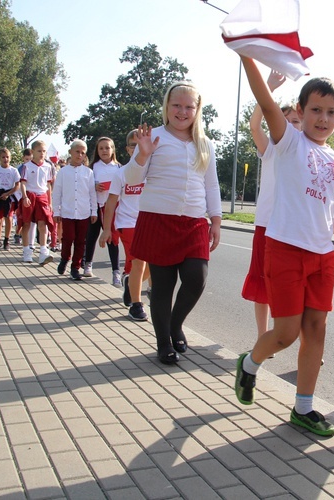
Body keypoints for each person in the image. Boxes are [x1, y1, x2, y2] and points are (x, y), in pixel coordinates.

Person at [233, 57, 334, 437]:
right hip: (284, 249)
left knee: (315, 329)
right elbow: (266, 102)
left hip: (322, 257)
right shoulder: (288, 142)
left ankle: (303, 408)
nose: (323, 117)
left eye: (331, 111)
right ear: (300, 112)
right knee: (285, 334)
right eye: (315, 110)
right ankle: (249, 364)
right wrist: (246, 56)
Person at [125, 81, 222, 365]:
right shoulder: (152, 138)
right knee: (163, 287)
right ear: (166, 106)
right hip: (158, 219)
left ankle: (176, 324)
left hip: (193, 222)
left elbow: (211, 185)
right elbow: (132, 179)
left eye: (188, 106)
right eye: (176, 105)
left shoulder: (205, 143)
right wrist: (142, 155)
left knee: (197, 278)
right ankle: (163, 342)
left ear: (197, 110)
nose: (182, 111)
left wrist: (215, 221)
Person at [242, 70, 302, 341]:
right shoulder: (270, 149)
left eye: (297, 122)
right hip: (266, 225)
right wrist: (269, 88)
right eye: (288, 121)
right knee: (263, 285)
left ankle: (305, 340)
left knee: (297, 287)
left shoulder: (307, 153)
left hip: (294, 229)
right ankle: (261, 335)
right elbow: (255, 126)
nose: (293, 126)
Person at [99, 129, 152, 320]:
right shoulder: (121, 174)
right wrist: (106, 229)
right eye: (132, 145)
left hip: (150, 223)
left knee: (152, 263)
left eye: (141, 143)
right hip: (127, 223)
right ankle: (137, 305)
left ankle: (132, 283)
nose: (137, 148)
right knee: (139, 260)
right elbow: (111, 202)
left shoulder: (153, 172)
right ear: (127, 149)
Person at [52, 140, 97, 281]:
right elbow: (57, 192)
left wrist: (94, 211)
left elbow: (92, 193)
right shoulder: (63, 172)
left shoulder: (88, 172)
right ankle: (65, 258)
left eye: (83, 153)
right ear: (71, 152)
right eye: (77, 151)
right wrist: (56, 211)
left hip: (83, 212)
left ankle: (75, 267)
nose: (80, 155)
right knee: (68, 237)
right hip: (68, 211)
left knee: (80, 241)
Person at [84, 136, 121, 285]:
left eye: (107, 148)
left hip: (113, 209)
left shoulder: (119, 168)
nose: (104, 151)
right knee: (92, 237)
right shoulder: (92, 168)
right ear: (97, 151)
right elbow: (84, 186)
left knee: (113, 240)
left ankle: (116, 272)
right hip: (96, 207)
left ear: (113, 150)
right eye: (101, 148)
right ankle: (88, 264)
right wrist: (94, 186)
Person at [19, 140, 55, 265]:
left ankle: (43, 252)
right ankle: (26, 250)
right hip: (29, 195)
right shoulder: (26, 166)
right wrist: (24, 197)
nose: (42, 154)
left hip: (42, 197)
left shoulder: (48, 166)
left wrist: (50, 202)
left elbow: (49, 185)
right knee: (27, 223)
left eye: (44, 151)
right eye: (39, 151)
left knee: (43, 224)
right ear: (33, 151)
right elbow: (22, 183)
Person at [0, 148, 21, 251]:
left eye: (7, 157)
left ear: (10, 158)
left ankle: (6, 240)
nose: (5, 159)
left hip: (9, 194)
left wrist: (8, 194)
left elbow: (17, 185)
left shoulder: (14, 170)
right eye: (3, 157)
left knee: (9, 217)